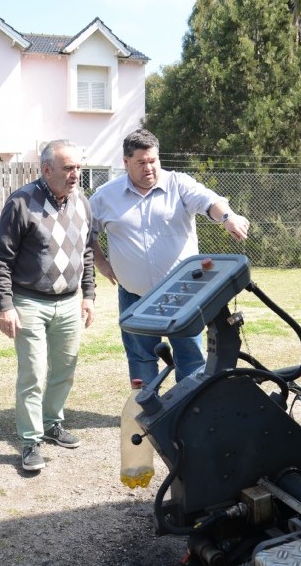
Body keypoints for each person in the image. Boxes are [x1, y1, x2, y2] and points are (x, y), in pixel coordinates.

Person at [89, 128, 250, 385]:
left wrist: (228, 217)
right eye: (141, 162)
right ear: (126, 162)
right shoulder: (105, 196)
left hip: (183, 293)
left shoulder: (179, 183)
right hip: (134, 294)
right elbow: (89, 234)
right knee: (141, 356)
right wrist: (102, 263)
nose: (149, 168)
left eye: (153, 160)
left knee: (191, 356)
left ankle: (188, 409)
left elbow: (209, 201)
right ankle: (145, 407)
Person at [0, 139, 95, 472]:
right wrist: (5, 305)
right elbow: (1, 259)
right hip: (29, 302)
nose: (76, 174)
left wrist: (89, 295)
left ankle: (52, 423)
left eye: (78, 167)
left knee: (65, 371)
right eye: (68, 168)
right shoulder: (21, 202)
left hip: (68, 302)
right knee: (33, 374)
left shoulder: (83, 203)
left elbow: (87, 252)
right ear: (47, 170)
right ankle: (31, 440)